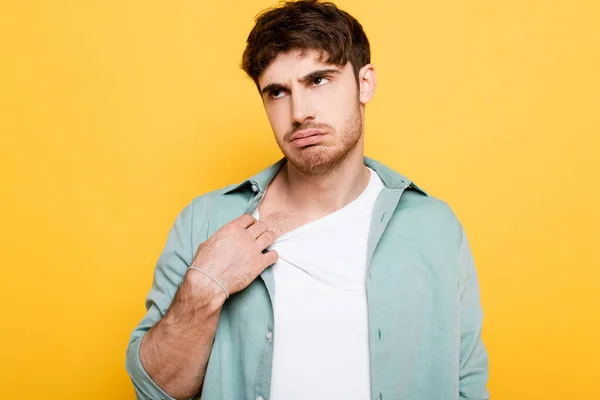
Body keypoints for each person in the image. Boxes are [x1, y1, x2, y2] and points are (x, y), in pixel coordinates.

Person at [125, 1, 490, 399]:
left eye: (318, 80)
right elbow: (158, 390)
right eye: (278, 92)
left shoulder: (434, 226)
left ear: (364, 83)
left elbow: (466, 384)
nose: (299, 113)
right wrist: (205, 286)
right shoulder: (206, 220)